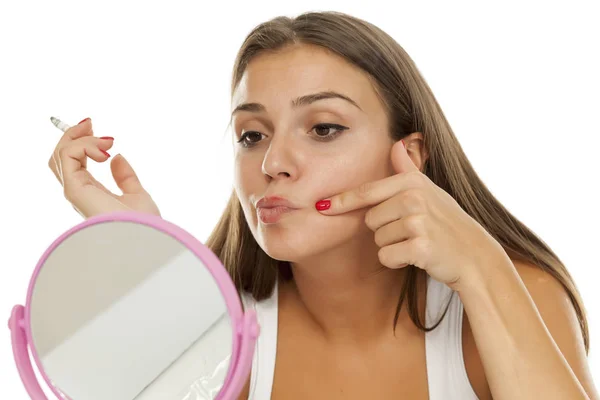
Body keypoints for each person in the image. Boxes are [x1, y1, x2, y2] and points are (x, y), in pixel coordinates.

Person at [47, 10, 598, 400]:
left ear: (408, 156)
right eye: (251, 135)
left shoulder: (515, 296)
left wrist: (478, 264)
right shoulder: (223, 333)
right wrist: (152, 263)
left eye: (324, 128)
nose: (272, 164)